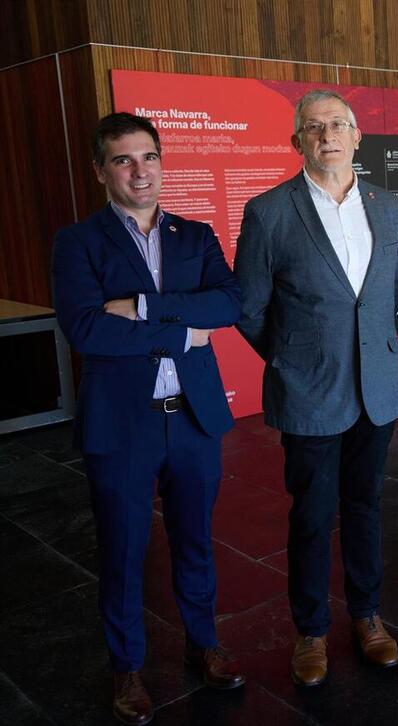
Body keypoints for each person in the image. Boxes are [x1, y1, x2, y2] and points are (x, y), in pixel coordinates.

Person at [51, 112, 245, 725]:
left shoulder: (195, 235)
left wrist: (141, 307)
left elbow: (229, 302)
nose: (140, 171)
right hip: (122, 426)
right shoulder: (77, 242)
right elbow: (86, 329)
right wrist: (183, 334)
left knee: (195, 541)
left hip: (191, 418)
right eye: (123, 160)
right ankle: (127, 667)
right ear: (101, 170)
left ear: (163, 161)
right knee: (123, 549)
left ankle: (203, 644)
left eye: (148, 157)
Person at [234, 90, 398, 685]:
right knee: (311, 515)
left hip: (376, 390)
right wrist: (291, 361)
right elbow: (250, 309)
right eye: (313, 128)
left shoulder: (388, 207)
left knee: (365, 507)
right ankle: (310, 631)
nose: (327, 135)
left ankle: (368, 617)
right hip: (310, 392)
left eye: (338, 125)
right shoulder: (269, 213)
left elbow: (380, 298)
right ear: (297, 143)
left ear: (358, 136)